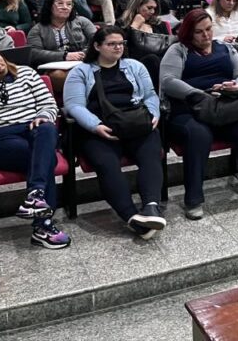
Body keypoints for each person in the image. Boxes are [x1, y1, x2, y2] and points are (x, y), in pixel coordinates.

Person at [160, 9, 238, 218]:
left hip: (225, 106)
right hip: (189, 109)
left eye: (208, 29)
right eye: (199, 32)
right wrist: (199, 93)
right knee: (199, 134)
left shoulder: (226, 48)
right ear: (189, 33)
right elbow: (168, 81)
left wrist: (236, 86)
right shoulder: (178, 50)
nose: (206, 35)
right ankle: (193, 199)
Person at [63, 26, 165, 238]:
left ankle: (151, 207)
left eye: (121, 43)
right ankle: (131, 217)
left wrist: (154, 114)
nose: (118, 47)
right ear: (97, 46)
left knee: (151, 155)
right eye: (111, 44)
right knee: (107, 164)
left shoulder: (135, 66)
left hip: (135, 123)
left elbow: (150, 95)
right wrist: (96, 126)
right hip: (99, 129)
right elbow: (74, 106)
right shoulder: (80, 72)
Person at [0, 45, 71, 248]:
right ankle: (42, 222)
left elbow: (49, 104)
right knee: (46, 159)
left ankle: (36, 200)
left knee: (47, 129)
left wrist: (42, 116)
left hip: (32, 130)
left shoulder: (26, 73)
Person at [27, 0, 97, 94]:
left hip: (83, 62)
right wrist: (64, 56)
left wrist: (84, 53)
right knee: (59, 76)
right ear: (50, 6)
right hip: (55, 68)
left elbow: (98, 40)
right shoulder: (37, 29)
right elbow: (34, 53)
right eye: (60, 3)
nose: (65, 7)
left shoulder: (82, 22)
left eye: (69, 4)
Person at [119, 0, 175, 83]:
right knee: (152, 59)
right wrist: (134, 26)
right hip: (134, 64)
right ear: (137, 6)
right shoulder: (122, 24)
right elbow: (121, 46)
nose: (153, 11)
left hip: (161, 62)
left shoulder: (160, 25)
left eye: (155, 9)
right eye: (149, 8)